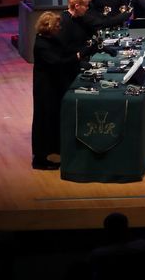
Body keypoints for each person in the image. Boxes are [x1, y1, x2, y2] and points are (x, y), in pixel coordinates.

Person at [31, 11, 81, 170]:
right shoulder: (42, 45)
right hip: (45, 89)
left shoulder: (50, 39)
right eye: (57, 26)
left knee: (52, 119)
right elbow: (58, 62)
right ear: (49, 28)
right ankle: (39, 159)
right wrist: (78, 57)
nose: (60, 28)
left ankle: (54, 149)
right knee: (43, 121)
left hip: (53, 85)